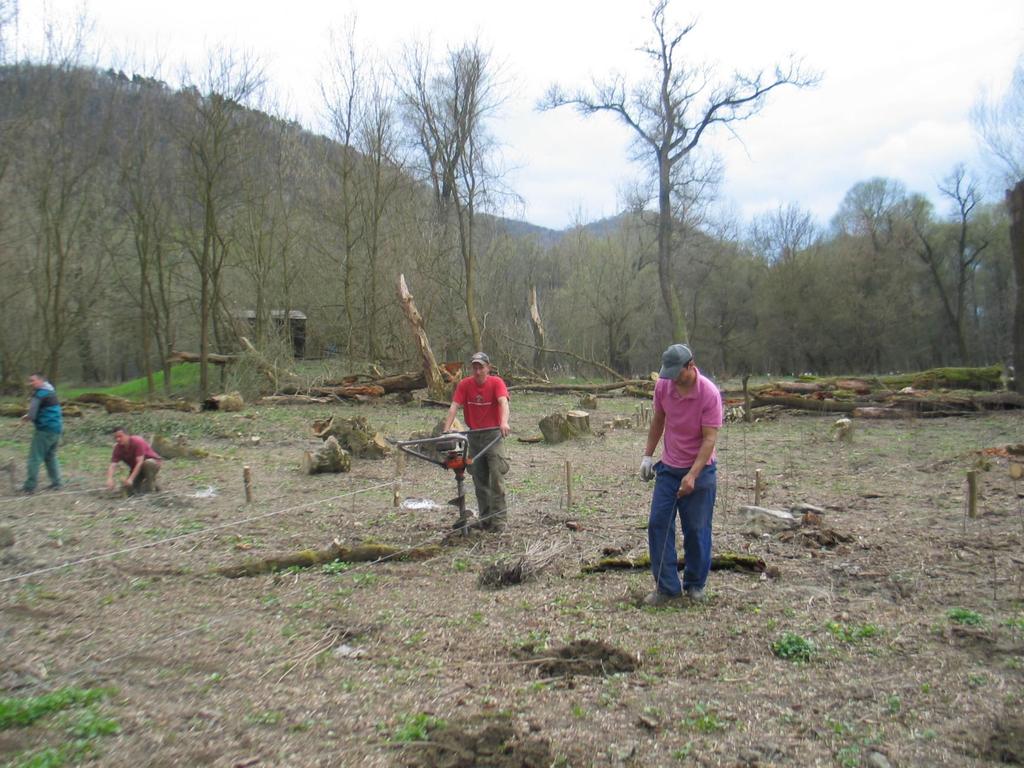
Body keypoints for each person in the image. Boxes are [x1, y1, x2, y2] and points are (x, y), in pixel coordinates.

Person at [639, 343, 722, 605]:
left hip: (701, 470)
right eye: (669, 373)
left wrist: (693, 475)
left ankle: (695, 585)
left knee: (697, 530)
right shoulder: (664, 385)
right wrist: (648, 455)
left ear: (690, 365)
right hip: (669, 468)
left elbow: (709, 439)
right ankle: (667, 588)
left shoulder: (708, 393)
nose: (673, 379)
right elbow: (658, 419)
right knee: (658, 524)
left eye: (678, 372)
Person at [441, 352, 511, 531]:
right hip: (474, 437)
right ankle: (486, 519)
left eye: (481, 367)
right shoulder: (465, 384)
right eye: (475, 367)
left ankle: (499, 522)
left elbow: (503, 402)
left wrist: (503, 422)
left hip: (493, 435)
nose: (478, 371)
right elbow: (454, 407)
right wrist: (446, 431)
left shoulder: (496, 383)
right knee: (479, 479)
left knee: (496, 478)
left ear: (488, 368)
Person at [20, 373, 63, 493]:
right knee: (50, 456)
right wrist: (28, 416)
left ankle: (29, 486)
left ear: (41, 381)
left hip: (45, 430)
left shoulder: (39, 394)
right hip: (57, 429)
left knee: (34, 458)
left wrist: (27, 417)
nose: (31, 383)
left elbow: (33, 414)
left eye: (33, 381)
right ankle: (57, 483)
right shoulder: (51, 392)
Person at [107, 428, 162, 494]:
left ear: (127, 435)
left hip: (152, 463)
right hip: (136, 469)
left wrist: (131, 479)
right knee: (129, 491)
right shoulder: (118, 448)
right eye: (116, 437)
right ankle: (154, 484)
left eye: (120, 436)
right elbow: (113, 465)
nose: (118, 439)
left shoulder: (137, 441)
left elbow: (140, 462)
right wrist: (110, 479)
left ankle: (150, 487)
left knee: (147, 463)